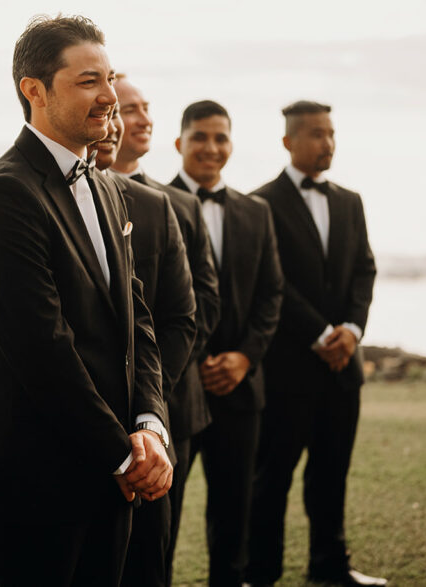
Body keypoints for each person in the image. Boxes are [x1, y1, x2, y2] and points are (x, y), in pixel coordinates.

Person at [0, 15, 173, 586]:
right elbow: (42, 350)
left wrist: (151, 426)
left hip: (116, 468)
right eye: (87, 82)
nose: (109, 98)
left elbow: (139, 323)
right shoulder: (5, 194)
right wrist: (124, 455)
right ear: (35, 90)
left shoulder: (105, 186)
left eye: (109, 79)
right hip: (41, 478)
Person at [246, 101, 383, 587]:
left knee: (331, 475)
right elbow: (272, 283)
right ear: (289, 141)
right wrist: (321, 334)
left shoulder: (351, 201)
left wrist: (353, 329)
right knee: (271, 479)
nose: (327, 143)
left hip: (344, 368)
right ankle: (259, 575)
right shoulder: (259, 203)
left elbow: (364, 269)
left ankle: (330, 567)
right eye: (316, 134)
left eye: (331, 134)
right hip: (287, 372)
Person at [112, 76, 222, 585]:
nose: (141, 117)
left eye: (145, 107)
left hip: (168, 406)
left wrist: (151, 395)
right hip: (95, 413)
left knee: (155, 552)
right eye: (127, 108)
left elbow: (197, 305)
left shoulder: (172, 204)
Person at [170, 100, 283, 586]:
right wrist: (189, 365)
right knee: (162, 519)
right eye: (200, 137)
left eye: (221, 138)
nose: (211, 148)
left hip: (240, 389)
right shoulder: (149, 201)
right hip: (177, 389)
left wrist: (243, 358)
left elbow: (271, 294)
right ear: (179, 143)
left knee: (234, 514)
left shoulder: (256, 212)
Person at [90, 107, 197, 587]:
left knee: (149, 566)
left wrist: (146, 416)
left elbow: (176, 317)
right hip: (76, 433)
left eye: (121, 111)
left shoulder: (153, 206)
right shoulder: (22, 198)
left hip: (150, 430)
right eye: (111, 110)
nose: (114, 124)